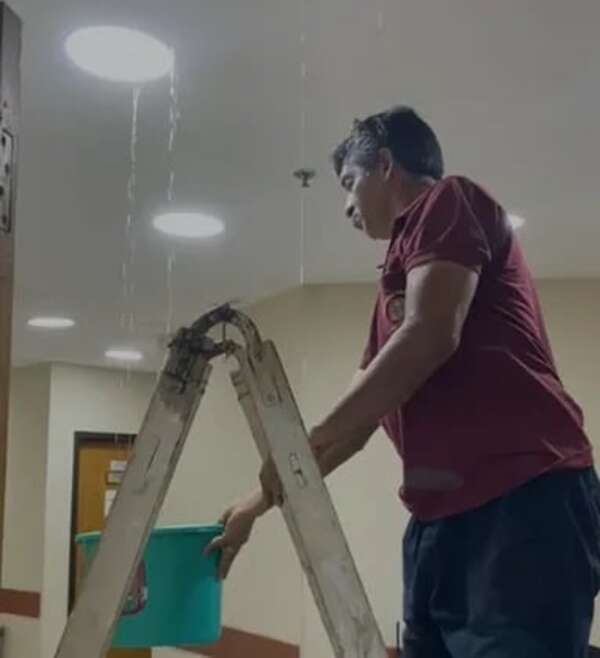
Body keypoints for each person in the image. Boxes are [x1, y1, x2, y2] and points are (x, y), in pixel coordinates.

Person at [206, 106, 600, 658]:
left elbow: (432, 336)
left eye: (349, 183)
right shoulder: (391, 297)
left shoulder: (449, 199)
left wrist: (304, 442)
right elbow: (356, 423)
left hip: (524, 501)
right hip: (437, 522)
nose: (345, 204)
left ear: (386, 165)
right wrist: (254, 504)